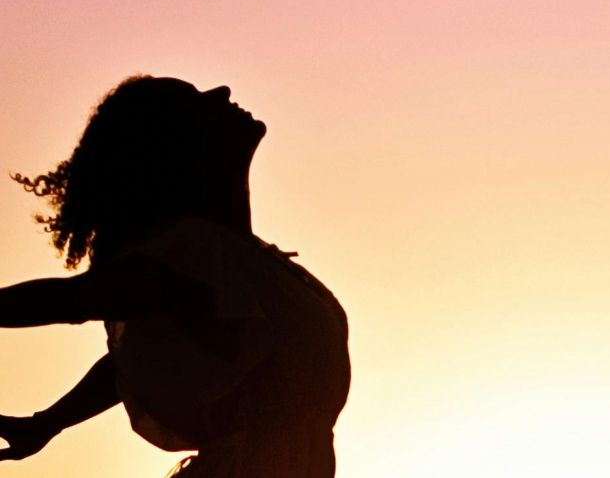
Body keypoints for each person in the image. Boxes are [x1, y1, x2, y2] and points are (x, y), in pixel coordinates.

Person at [0, 75, 350, 477]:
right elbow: (80, 299)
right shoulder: (190, 251)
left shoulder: (236, 260)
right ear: (177, 146)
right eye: (196, 100)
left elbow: (144, 355)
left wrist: (48, 421)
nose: (222, 92)